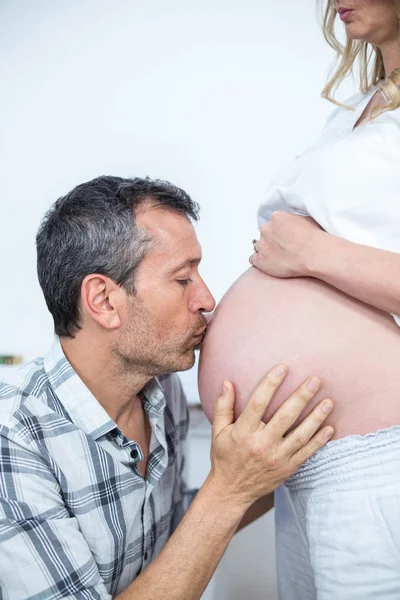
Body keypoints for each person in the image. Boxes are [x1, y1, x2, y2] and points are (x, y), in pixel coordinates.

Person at [0, 176, 335, 599]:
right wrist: (229, 488)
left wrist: (271, 463)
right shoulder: (13, 438)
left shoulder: (160, 390)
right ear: (103, 301)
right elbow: (217, 504)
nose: (206, 299)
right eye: (182, 280)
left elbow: (174, 531)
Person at [198, 1, 400, 598]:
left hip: (378, 456)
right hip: (300, 465)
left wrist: (313, 256)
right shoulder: (359, 110)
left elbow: (315, 251)